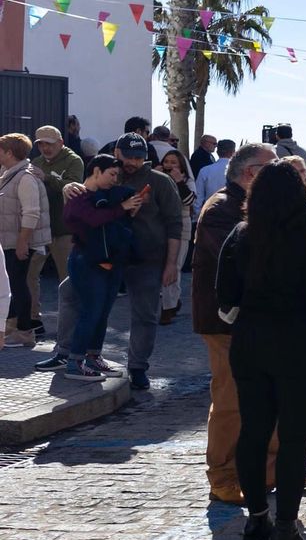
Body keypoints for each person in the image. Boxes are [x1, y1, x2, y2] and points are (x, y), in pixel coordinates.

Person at [216, 162, 306, 540]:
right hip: (298, 348)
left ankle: (256, 517)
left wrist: (246, 318)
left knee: (253, 433)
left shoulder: (240, 235)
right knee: (294, 439)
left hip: (251, 343)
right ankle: (285, 525)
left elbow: (223, 295)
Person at [52, 134, 181, 388]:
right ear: (117, 153)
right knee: (70, 295)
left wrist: (171, 264)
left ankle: (137, 367)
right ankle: (67, 354)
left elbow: (175, 225)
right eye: (128, 156)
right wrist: (69, 187)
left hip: (145, 259)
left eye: (139, 157)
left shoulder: (160, 182)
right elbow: (86, 197)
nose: (133, 162)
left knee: (144, 314)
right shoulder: (109, 174)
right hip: (103, 257)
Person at [193, 143, 278, 505]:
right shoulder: (221, 208)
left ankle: (271, 471)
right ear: (251, 173)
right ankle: (223, 475)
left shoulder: (254, 204)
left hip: (256, 320)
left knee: (268, 396)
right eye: (271, 169)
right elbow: (240, 261)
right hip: (224, 321)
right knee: (229, 399)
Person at [59, 155, 140, 381]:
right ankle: (75, 362)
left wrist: (129, 208)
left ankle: (93, 356)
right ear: (96, 171)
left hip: (109, 261)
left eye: (117, 175)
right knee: (91, 311)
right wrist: (121, 208)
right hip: (86, 260)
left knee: (102, 313)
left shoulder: (105, 195)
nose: (115, 179)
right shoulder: (78, 195)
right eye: (111, 174)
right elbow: (91, 219)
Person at [26, 126, 83, 339]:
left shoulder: (73, 160)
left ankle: (71, 325)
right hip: (40, 229)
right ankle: (33, 319)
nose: (45, 147)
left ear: (60, 142)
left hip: (64, 230)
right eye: (40, 143)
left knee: (67, 279)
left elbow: (74, 187)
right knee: (30, 274)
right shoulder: (36, 163)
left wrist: (47, 178)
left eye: (49, 143)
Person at [1, 134, 50, 349]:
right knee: (12, 285)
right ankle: (12, 328)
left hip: (17, 242)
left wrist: (23, 242)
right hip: (8, 241)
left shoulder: (25, 178)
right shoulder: (9, 174)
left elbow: (31, 213)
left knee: (19, 285)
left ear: (9, 153)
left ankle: (24, 332)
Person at [158, 149, 195, 325]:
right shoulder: (157, 178)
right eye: (167, 162)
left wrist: (179, 182)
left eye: (174, 162)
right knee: (162, 266)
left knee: (174, 266)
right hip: (160, 227)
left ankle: (168, 307)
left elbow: (189, 201)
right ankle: (172, 301)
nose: (170, 165)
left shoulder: (187, 180)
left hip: (181, 226)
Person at [195, 139, 234, 204]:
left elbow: (198, 196)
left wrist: (198, 213)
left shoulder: (205, 170)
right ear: (233, 152)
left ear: (217, 152)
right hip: (233, 211)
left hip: (210, 210)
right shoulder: (240, 171)